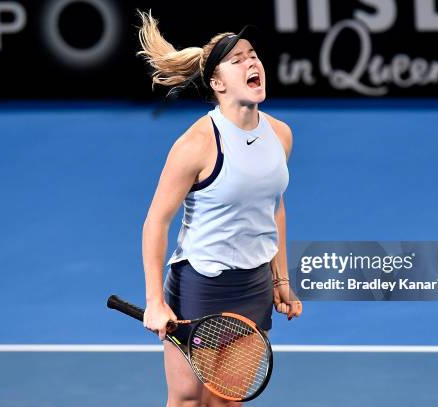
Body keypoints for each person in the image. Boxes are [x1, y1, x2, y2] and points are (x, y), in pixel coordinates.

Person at [137, 11, 302, 407]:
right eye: (237, 59)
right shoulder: (196, 144)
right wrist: (155, 301)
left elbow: (273, 209)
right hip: (200, 287)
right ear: (216, 82)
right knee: (189, 400)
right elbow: (156, 222)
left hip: (255, 286)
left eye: (253, 55)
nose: (251, 62)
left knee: (227, 400)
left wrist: (280, 280)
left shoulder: (280, 135)